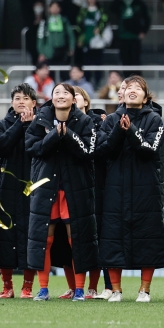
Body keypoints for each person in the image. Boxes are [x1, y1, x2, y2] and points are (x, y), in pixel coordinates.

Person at [94, 76, 164, 303]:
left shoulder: (154, 119)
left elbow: (151, 149)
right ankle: (116, 290)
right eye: (129, 88)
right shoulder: (111, 120)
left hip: (146, 188)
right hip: (116, 188)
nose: (133, 90)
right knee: (113, 237)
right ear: (122, 95)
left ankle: (144, 290)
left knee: (148, 238)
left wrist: (132, 131)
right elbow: (102, 150)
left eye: (138, 88)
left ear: (145, 97)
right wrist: (119, 131)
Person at [25, 81, 98, 302]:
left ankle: (79, 289)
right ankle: (43, 289)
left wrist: (68, 135)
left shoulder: (85, 121)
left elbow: (88, 151)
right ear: (51, 97)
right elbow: (32, 148)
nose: (61, 95)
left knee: (76, 239)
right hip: (46, 188)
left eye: (66, 92)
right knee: (43, 240)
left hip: (74, 189)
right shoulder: (40, 119)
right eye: (57, 92)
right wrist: (54, 135)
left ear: (74, 99)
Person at [0, 83, 37, 298]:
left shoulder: (41, 124)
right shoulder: (2, 124)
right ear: (11, 102)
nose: (21, 102)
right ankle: (7, 286)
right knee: (4, 237)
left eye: (25, 98)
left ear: (33, 103)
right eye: (17, 98)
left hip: (32, 187)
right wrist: (20, 124)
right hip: (6, 187)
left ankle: (27, 287)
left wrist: (30, 125)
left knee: (30, 237)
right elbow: (2, 146)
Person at [76, 85, 110, 299]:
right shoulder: (59, 121)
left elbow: (98, 150)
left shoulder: (99, 122)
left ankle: (97, 286)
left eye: (76, 95)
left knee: (99, 236)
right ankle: (76, 286)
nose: (72, 98)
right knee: (76, 238)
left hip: (97, 185)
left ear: (86, 101)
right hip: (74, 184)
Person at [111, 0, 151, 73]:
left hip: (135, 36)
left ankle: (137, 79)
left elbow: (147, 18)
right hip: (122, 36)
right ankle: (126, 79)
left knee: (135, 59)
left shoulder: (139, 2)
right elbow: (112, 10)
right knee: (124, 59)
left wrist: (144, 31)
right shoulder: (120, 2)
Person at [75, 0, 110, 79]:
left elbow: (105, 21)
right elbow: (79, 26)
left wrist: (99, 28)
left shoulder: (101, 11)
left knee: (98, 62)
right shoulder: (83, 11)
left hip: (98, 42)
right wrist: (80, 39)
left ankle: (98, 80)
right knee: (86, 63)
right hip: (86, 41)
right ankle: (87, 80)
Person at [36, 0, 74, 66]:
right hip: (49, 52)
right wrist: (41, 52)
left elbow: (71, 35)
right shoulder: (45, 22)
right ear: (49, 9)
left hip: (63, 51)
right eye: (53, 7)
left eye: (57, 7)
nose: (55, 9)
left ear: (60, 9)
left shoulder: (64, 20)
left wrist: (72, 47)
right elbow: (40, 37)